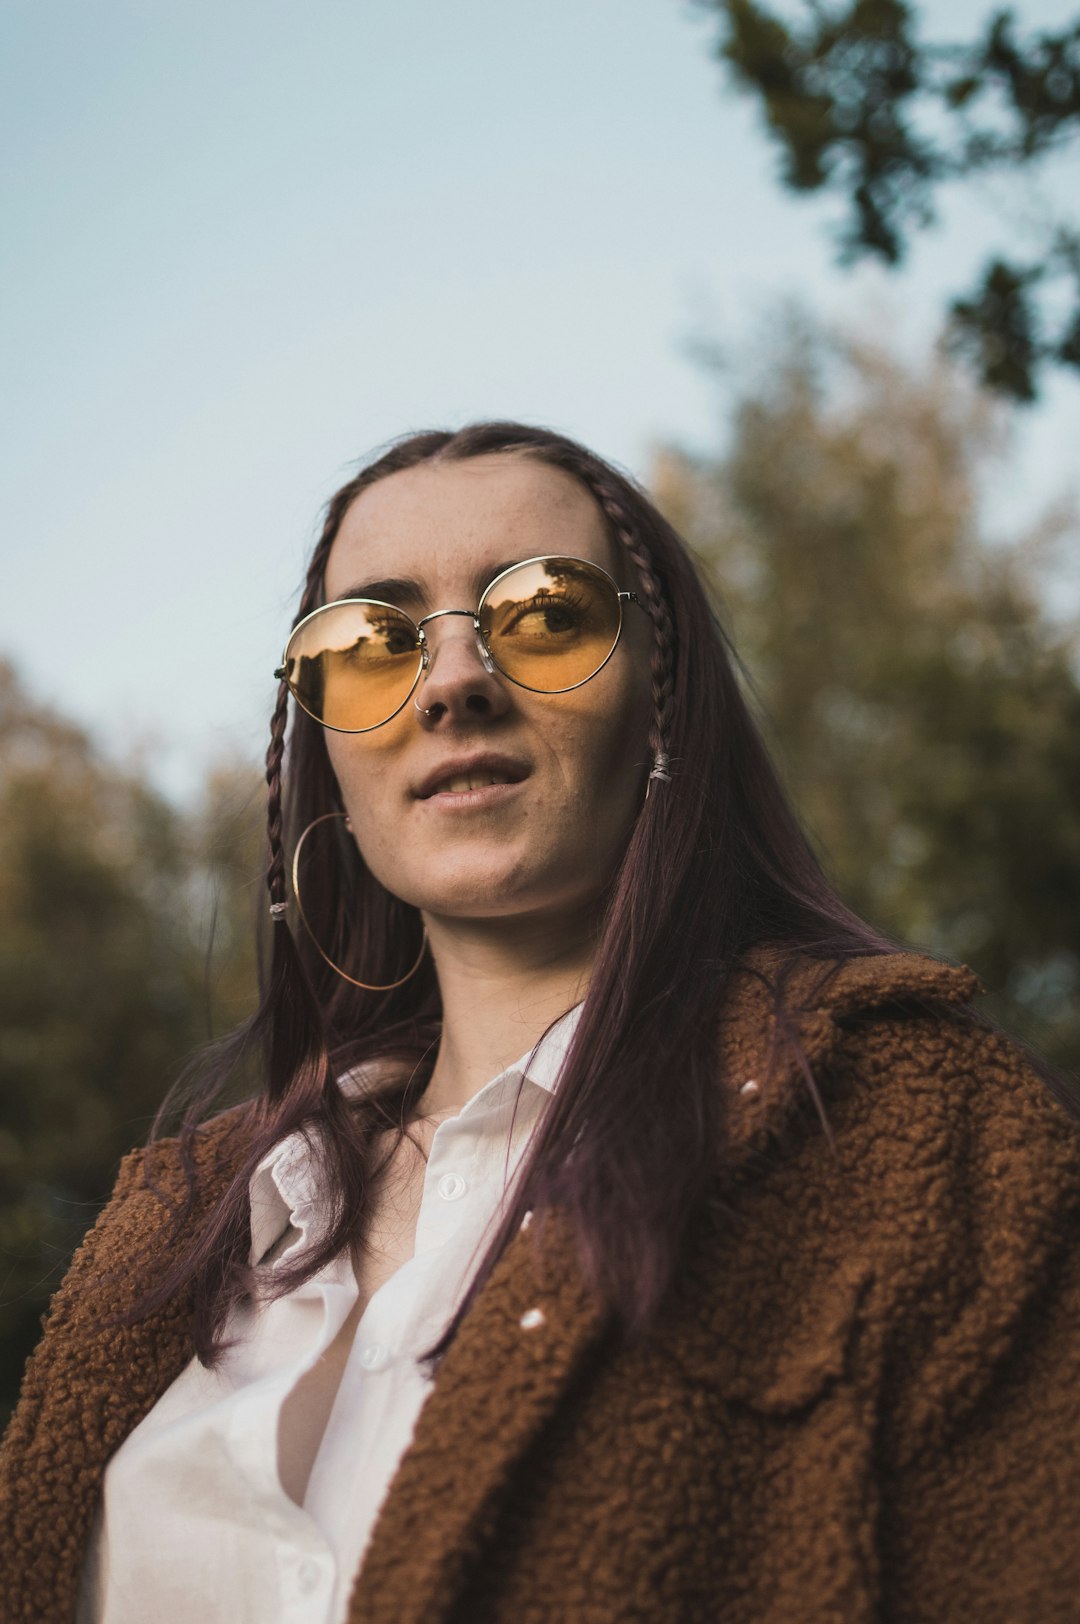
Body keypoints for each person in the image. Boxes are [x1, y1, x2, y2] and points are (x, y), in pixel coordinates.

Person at [2, 421, 1079, 1624]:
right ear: (328, 757)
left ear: (660, 701)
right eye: (371, 641)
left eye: (549, 614)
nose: (453, 681)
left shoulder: (920, 1125)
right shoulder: (177, 1226)